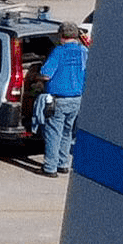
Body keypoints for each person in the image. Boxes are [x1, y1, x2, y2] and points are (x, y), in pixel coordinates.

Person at [38, 21, 90, 177]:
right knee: (67, 132)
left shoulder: (59, 52)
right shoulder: (83, 51)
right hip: (77, 99)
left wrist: (36, 76)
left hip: (59, 99)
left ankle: (50, 168)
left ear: (61, 35)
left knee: (53, 133)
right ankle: (63, 163)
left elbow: (46, 75)